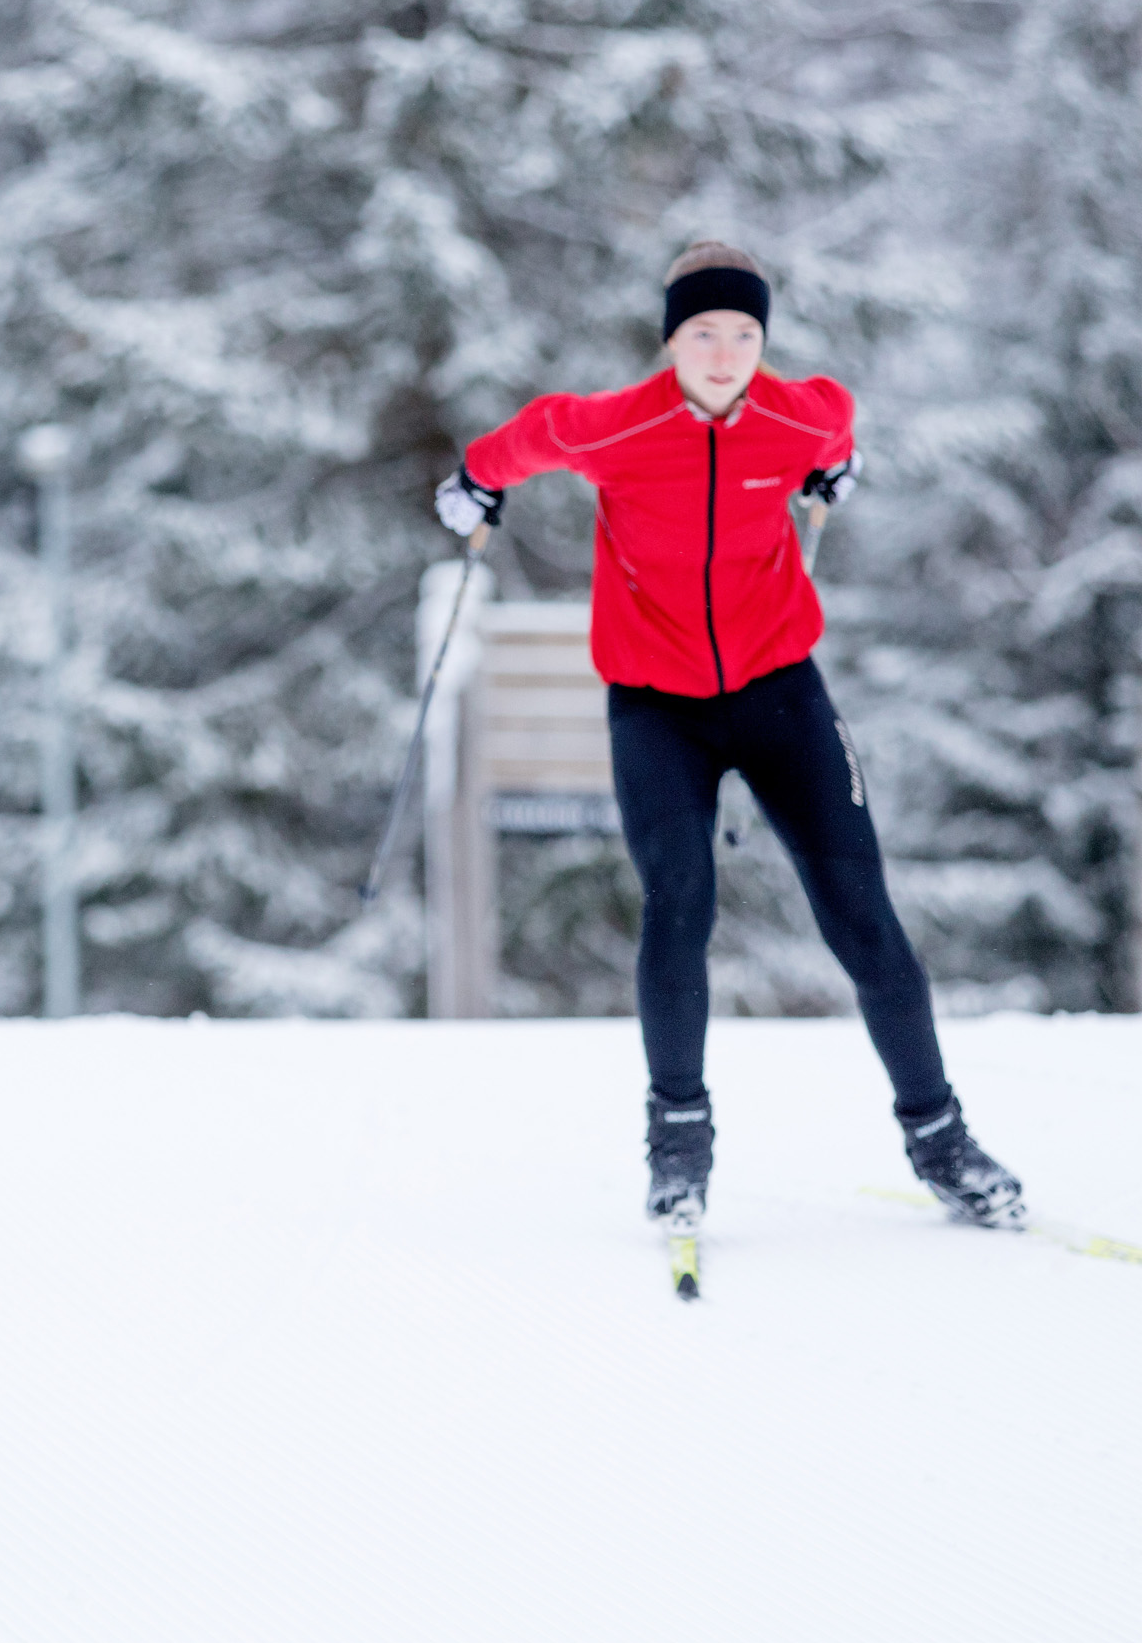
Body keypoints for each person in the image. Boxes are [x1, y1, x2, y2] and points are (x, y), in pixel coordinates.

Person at [434, 241, 1024, 1241]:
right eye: (702, 331)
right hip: (655, 704)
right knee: (679, 904)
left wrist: (835, 468)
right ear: (671, 339)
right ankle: (677, 1150)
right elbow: (525, 438)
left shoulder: (802, 411)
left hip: (777, 690)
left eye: (742, 333)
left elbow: (836, 427)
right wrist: (472, 484)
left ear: (762, 342)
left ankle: (942, 1141)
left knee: (861, 914)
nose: (722, 351)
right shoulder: (618, 424)